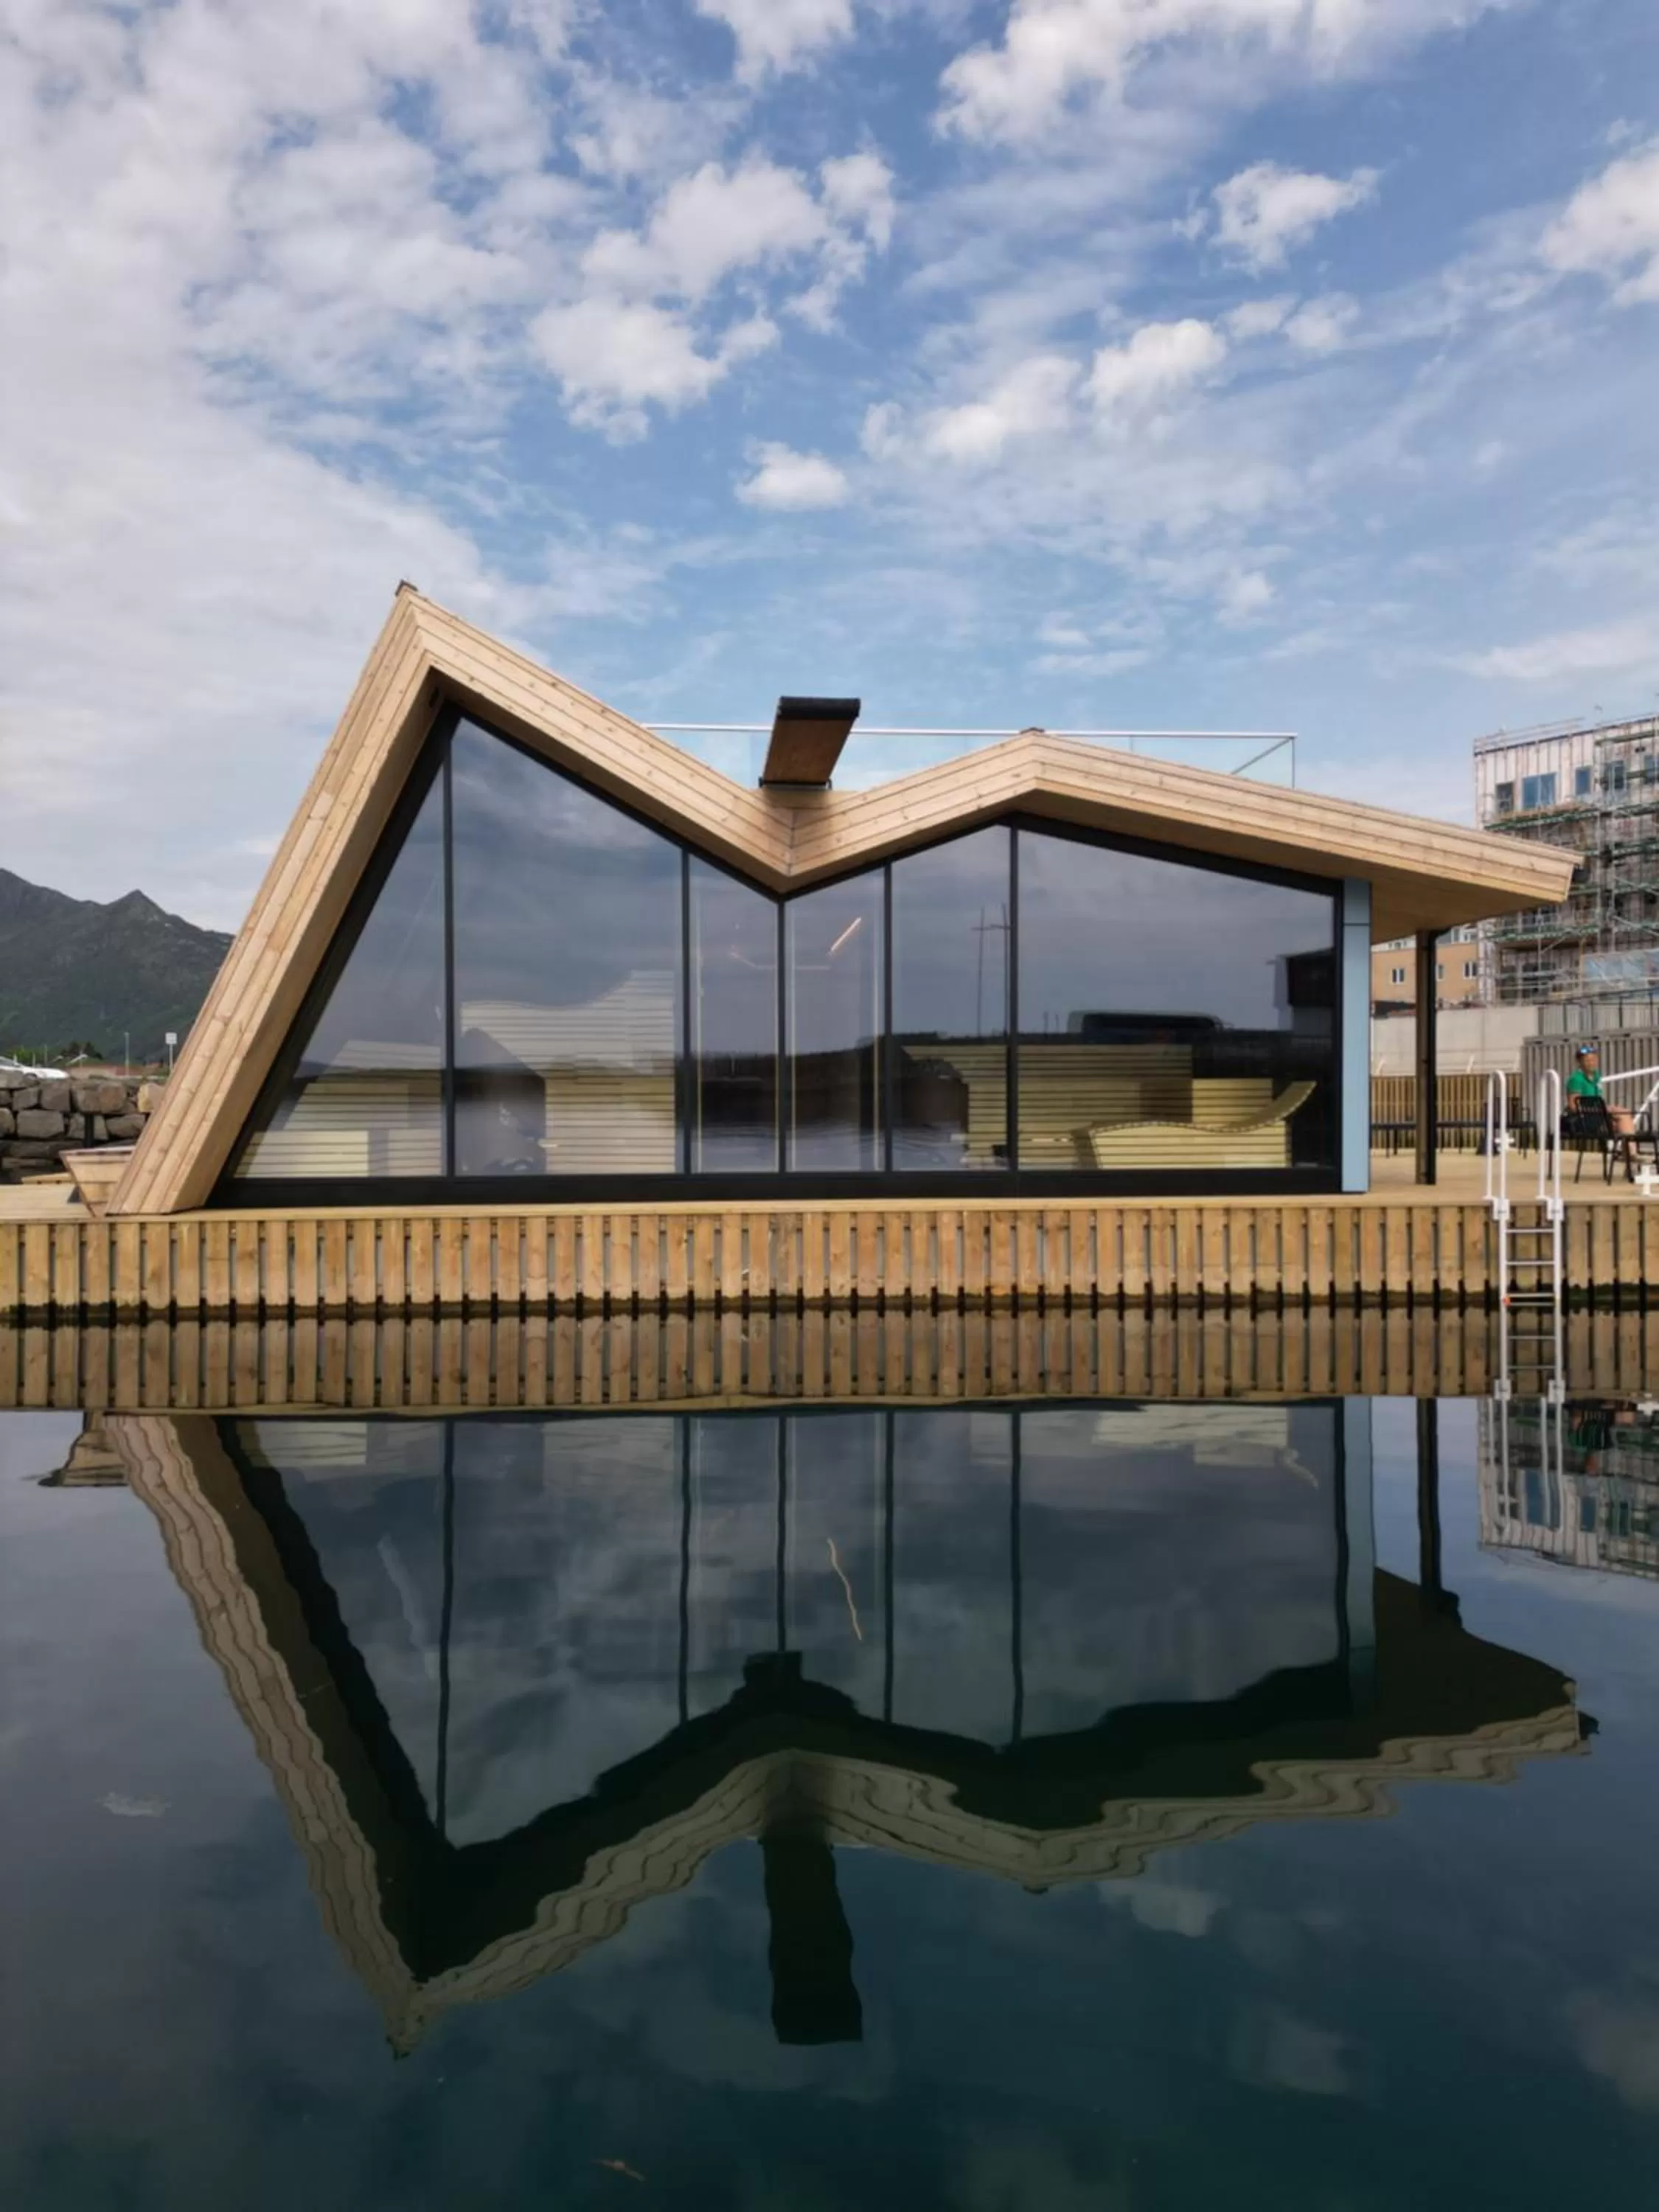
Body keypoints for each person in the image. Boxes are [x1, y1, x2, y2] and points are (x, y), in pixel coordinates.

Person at [1567, 1042, 1638, 1172]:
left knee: (1624, 1124)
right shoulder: (1576, 1079)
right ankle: (1631, 1156)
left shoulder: (1596, 1076)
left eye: (1594, 1060)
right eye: (1587, 1060)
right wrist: (1600, 1110)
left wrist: (1604, 1109)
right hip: (1583, 1121)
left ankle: (1629, 1160)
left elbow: (1598, 1100)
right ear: (1580, 1062)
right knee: (1624, 1115)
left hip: (1598, 1118)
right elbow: (1573, 1106)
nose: (1591, 1063)